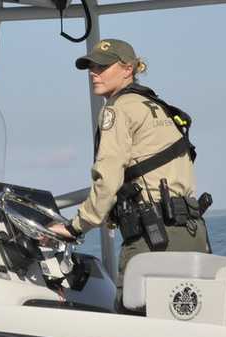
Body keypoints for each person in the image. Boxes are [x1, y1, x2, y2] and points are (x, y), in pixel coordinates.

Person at [48, 38, 211, 307]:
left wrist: (75, 227)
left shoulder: (117, 110)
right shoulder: (157, 106)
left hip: (154, 239)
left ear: (128, 69)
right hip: (193, 233)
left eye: (102, 67)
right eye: (91, 67)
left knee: (134, 324)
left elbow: (108, 179)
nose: (94, 73)